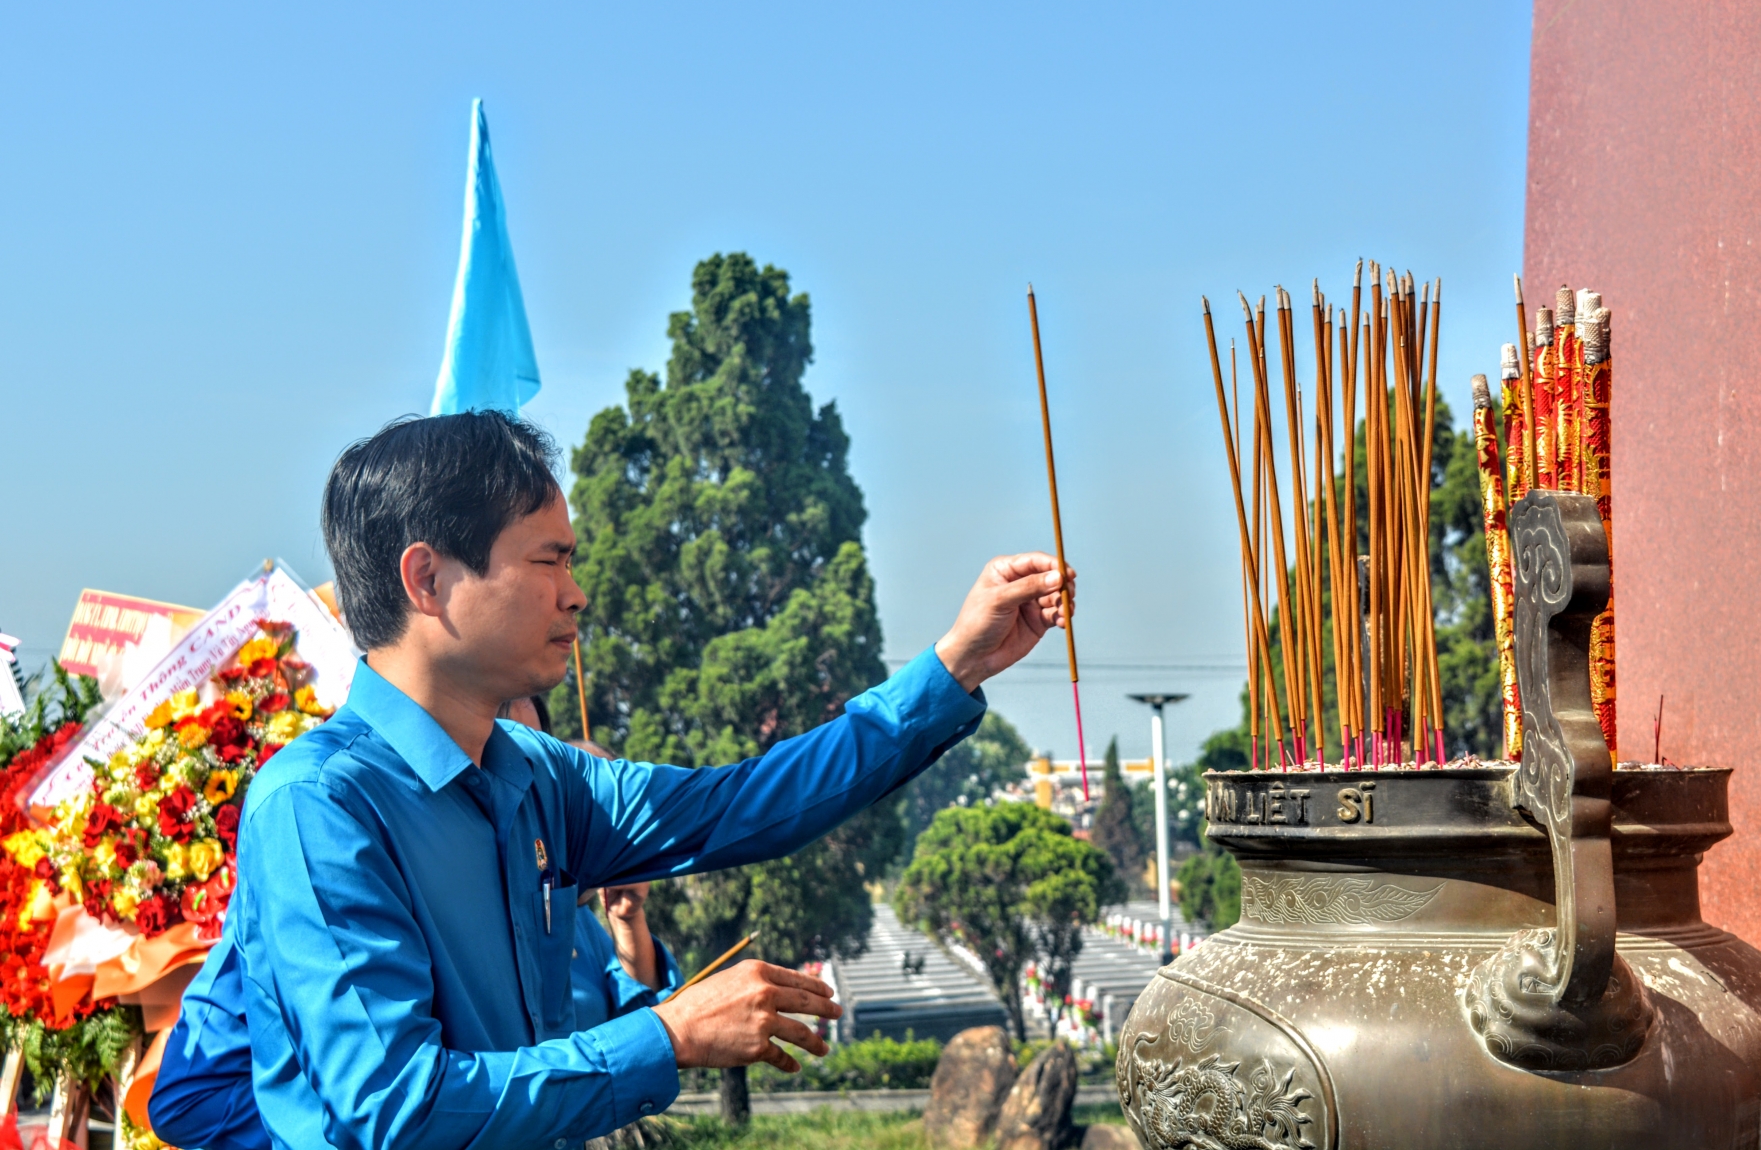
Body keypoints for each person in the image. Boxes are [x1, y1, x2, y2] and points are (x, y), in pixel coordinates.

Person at [179, 410, 1069, 1149]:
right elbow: (396, 1107)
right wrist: (669, 1033)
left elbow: (746, 804)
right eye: (547, 559)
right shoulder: (320, 806)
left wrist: (953, 666)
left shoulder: (534, 775)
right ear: (428, 578)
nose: (577, 592)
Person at [147, 713, 681, 1150]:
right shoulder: (319, 867)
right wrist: (325, 1121)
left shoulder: (566, 920)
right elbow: (189, 1100)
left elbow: (635, 1025)